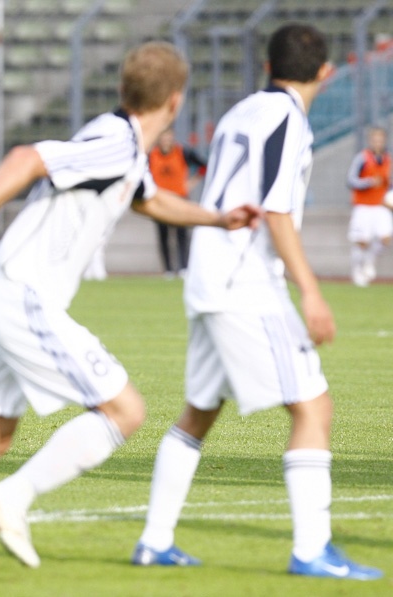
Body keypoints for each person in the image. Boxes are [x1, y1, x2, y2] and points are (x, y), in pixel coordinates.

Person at [0, 41, 260, 583]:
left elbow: (149, 199)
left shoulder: (120, 141)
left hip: (0, 289)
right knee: (124, 411)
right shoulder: (116, 143)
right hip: (23, 295)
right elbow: (26, 158)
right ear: (175, 101)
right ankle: (13, 497)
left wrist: (217, 218)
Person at [132, 24, 383, 581]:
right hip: (244, 281)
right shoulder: (288, 118)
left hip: (208, 274)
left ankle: (154, 540)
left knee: (200, 411)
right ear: (326, 73)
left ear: (269, 65)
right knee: (313, 407)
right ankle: (312, 550)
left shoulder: (241, 111)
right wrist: (310, 291)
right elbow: (276, 211)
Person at [148, 127, 207, 278]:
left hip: (179, 198)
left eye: (168, 137)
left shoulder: (182, 152)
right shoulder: (151, 155)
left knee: (182, 234)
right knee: (164, 235)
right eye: (163, 137)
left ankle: (183, 268)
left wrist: (191, 183)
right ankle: (168, 270)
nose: (165, 141)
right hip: (160, 200)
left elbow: (203, 167)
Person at [346, 126, 392, 287]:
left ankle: (369, 261)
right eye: (375, 140)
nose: (378, 143)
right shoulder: (362, 158)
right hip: (363, 206)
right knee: (362, 242)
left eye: (380, 140)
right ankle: (357, 271)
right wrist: (369, 182)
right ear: (370, 141)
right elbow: (350, 180)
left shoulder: (388, 159)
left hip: (380, 205)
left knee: (385, 238)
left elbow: (389, 184)